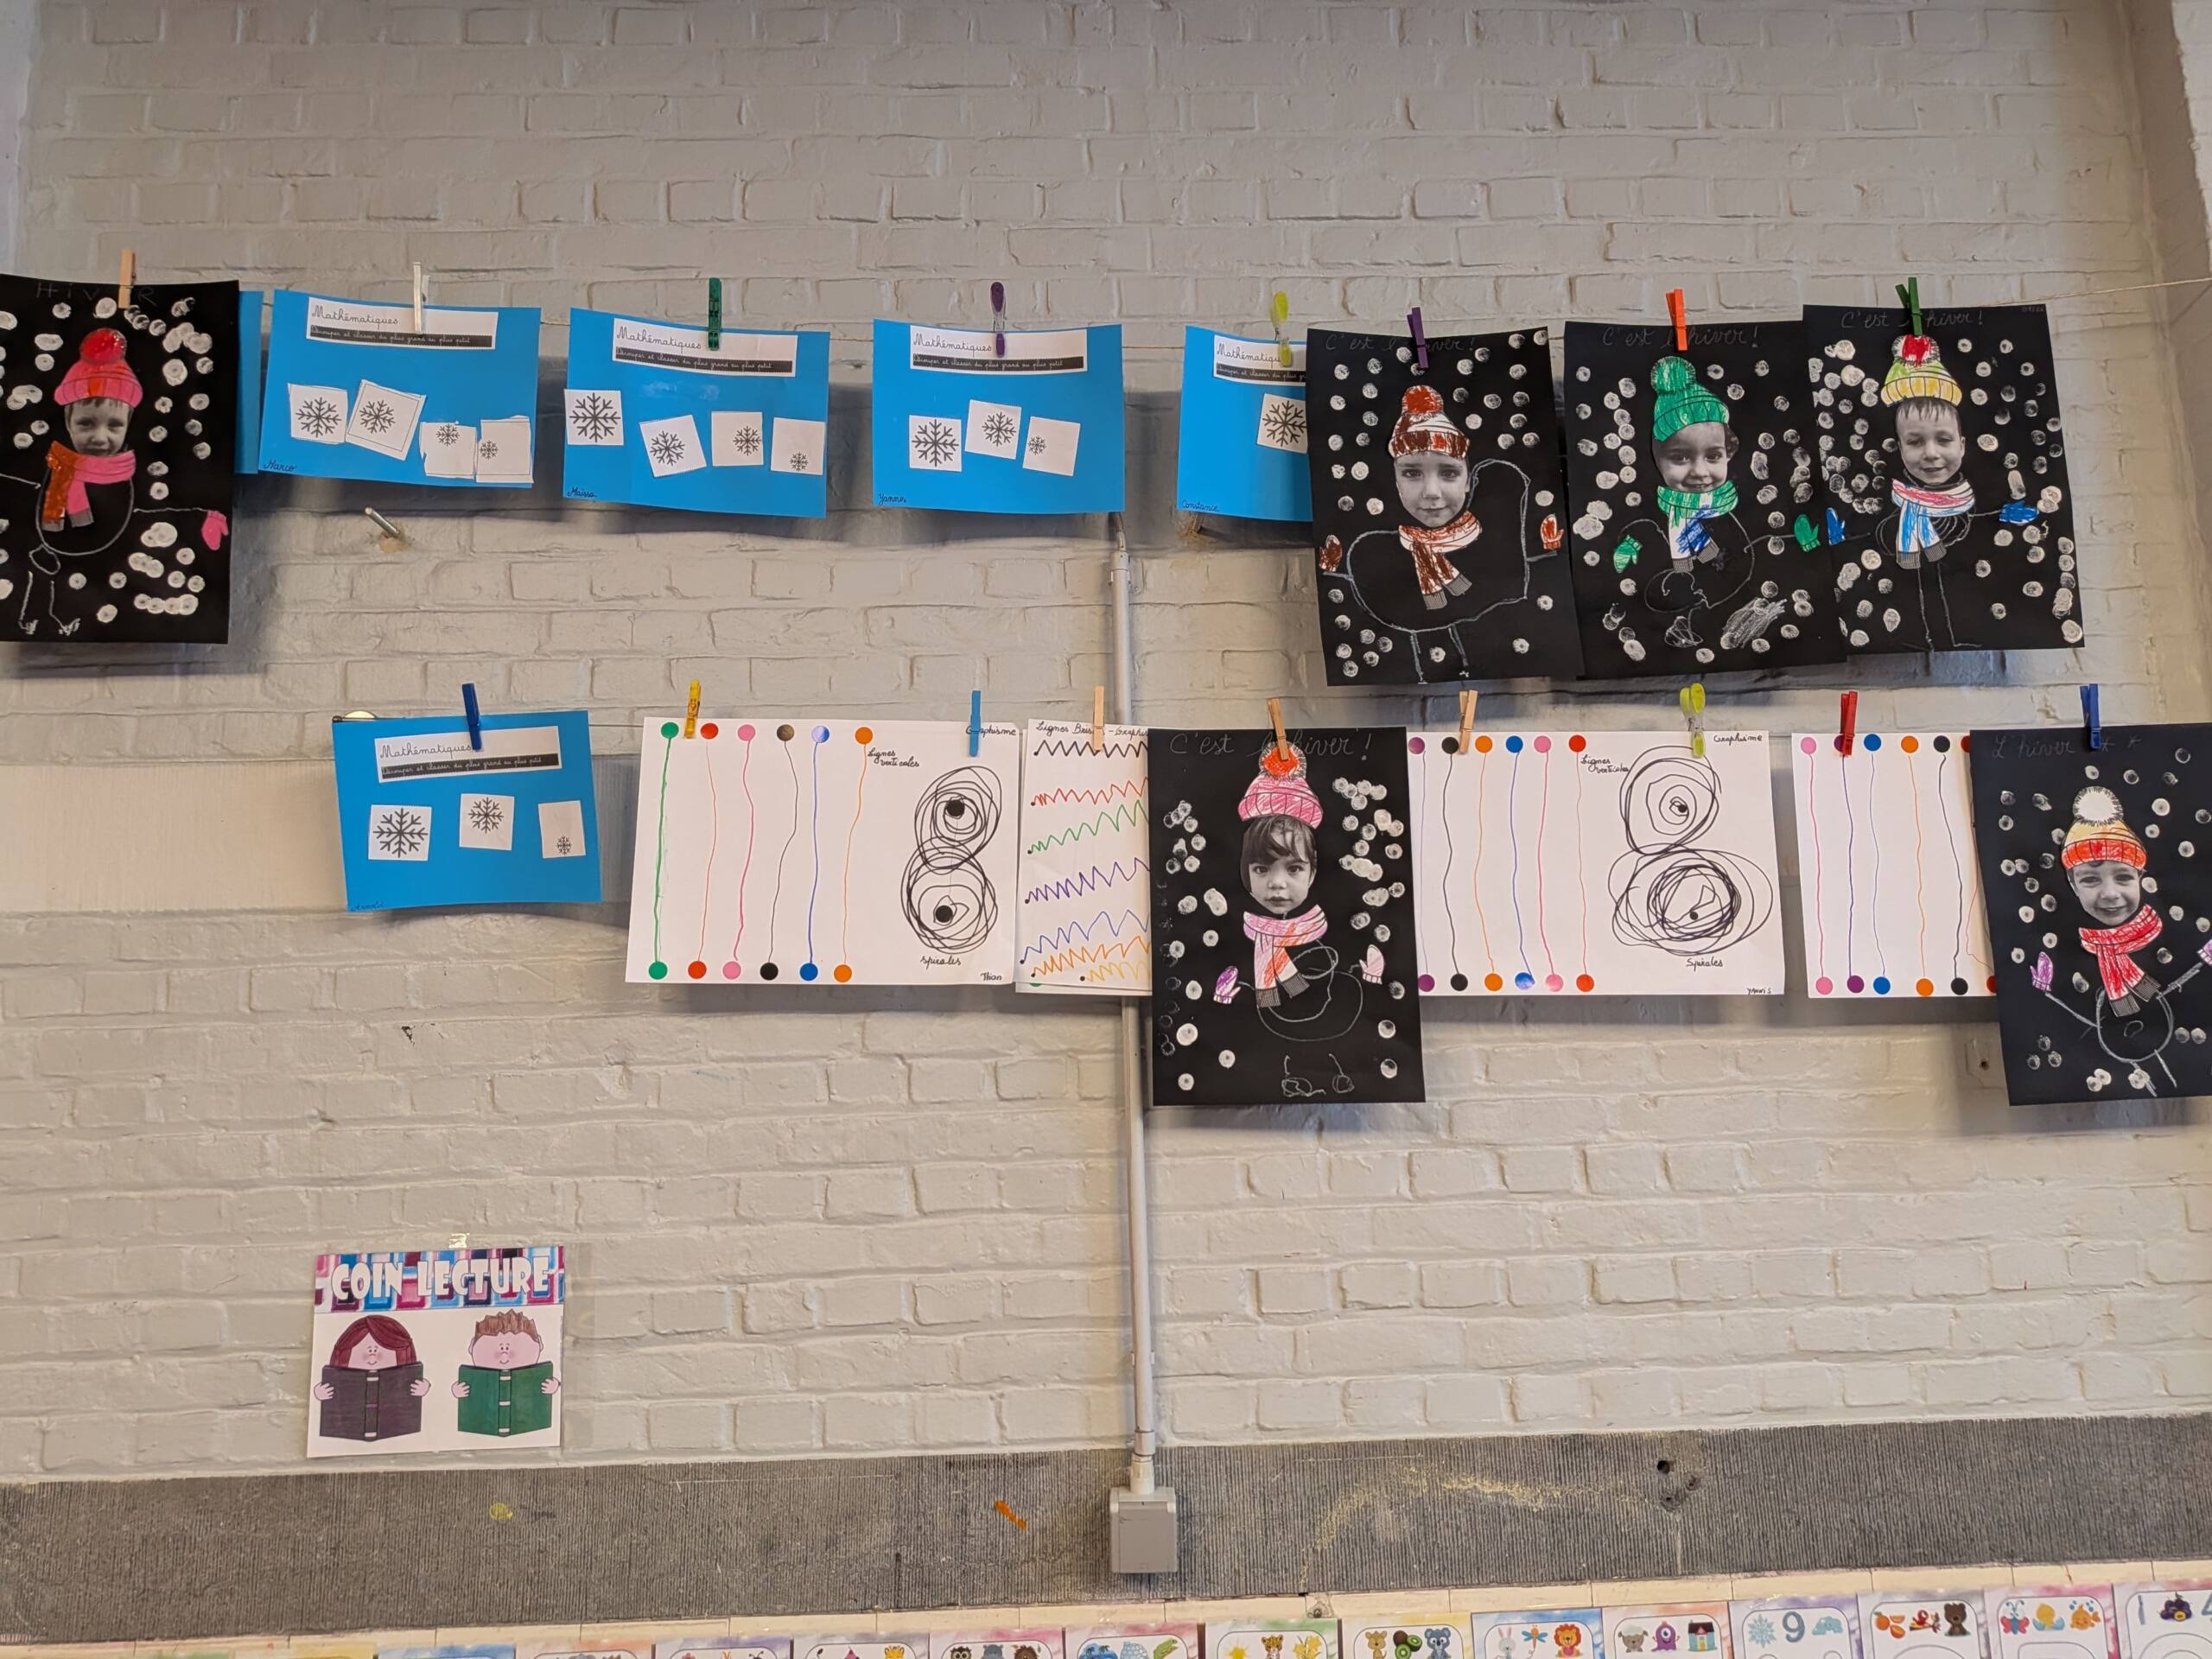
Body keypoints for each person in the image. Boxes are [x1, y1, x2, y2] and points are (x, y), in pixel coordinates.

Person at [2061, 786, 2160, 1016]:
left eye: (2123, 877)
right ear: (2073, 885)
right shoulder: (2071, 948)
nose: (2109, 893)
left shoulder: (2172, 936)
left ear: (2140, 878)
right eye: (2090, 880)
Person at [1877, 333, 1973, 569]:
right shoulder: (1892, 498)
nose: (1931, 453)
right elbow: (1883, 539)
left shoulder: (1967, 500)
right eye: (1915, 442)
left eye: (1944, 440)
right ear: (1900, 449)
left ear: (1962, 446)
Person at [1385, 384, 1478, 608]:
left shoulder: (1500, 546)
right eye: (1412, 473)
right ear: (1396, 482)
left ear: (1468, 480)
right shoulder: (1375, 554)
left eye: (1449, 473)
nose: (1431, 492)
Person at [1648, 354, 1738, 569]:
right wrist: (1681, 569)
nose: (1700, 471)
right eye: (1680, 458)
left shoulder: (1729, 510)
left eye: (1713, 456)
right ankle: (1697, 558)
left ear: (1728, 452)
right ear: (1658, 458)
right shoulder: (1674, 513)